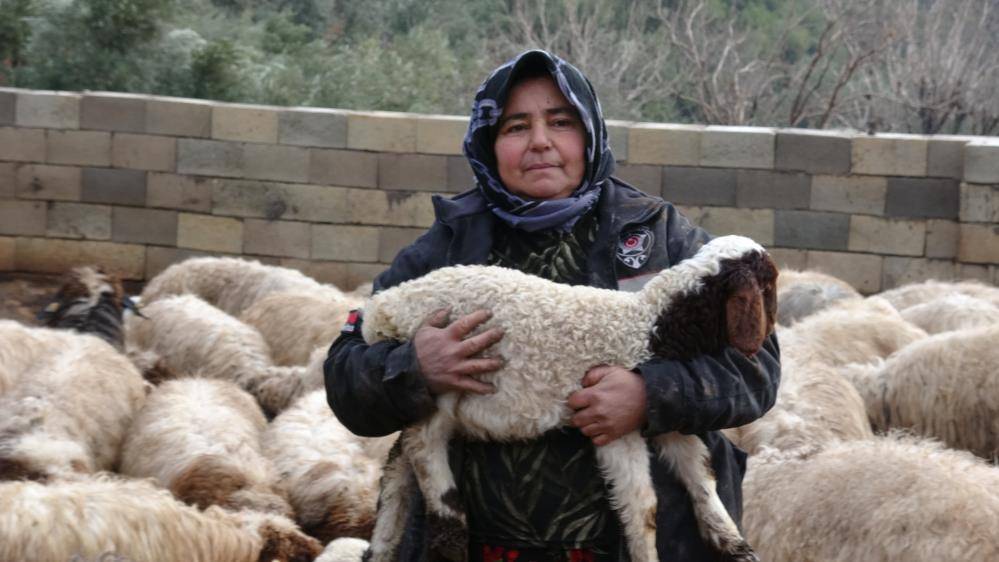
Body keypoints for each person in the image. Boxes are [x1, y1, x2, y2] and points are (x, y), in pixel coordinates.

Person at [325, 49, 780, 562]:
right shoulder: (446, 248)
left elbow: (757, 368)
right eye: (516, 126)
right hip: (478, 548)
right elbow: (345, 373)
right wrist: (414, 367)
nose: (540, 141)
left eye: (560, 122)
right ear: (489, 143)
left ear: (589, 133)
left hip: (644, 542)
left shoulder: (660, 237)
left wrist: (650, 394)